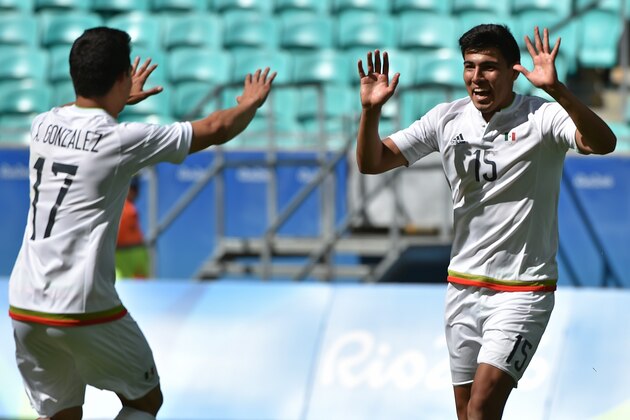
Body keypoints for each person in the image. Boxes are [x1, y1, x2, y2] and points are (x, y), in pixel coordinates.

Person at [8, 27, 275, 420]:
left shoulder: (41, 125)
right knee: (145, 400)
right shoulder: (119, 139)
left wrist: (111, 100)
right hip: (81, 306)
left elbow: (77, 111)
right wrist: (251, 104)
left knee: (62, 414)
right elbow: (216, 128)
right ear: (121, 79)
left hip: (24, 304)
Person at [355, 25, 615, 420]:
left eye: (489, 67)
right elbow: (372, 162)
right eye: (470, 66)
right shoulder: (447, 118)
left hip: (523, 291)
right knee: (467, 414)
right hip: (462, 286)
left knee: (481, 408)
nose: (477, 77)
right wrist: (370, 112)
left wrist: (558, 91)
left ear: (514, 71)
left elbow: (603, 143)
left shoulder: (542, 117)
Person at [116, 176, 150, 279]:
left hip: (131, 254)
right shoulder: (125, 208)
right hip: (124, 256)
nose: (135, 192)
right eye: (133, 188)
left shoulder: (127, 207)